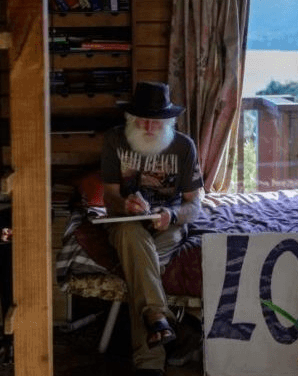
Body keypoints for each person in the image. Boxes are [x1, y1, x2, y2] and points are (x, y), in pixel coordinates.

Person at [101, 81, 204, 376]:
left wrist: (170, 216)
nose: (148, 126)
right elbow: (109, 196)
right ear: (131, 118)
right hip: (126, 224)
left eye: (156, 121)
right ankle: (162, 329)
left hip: (166, 225)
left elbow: (193, 205)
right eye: (141, 119)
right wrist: (125, 206)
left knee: (139, 266)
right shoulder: (114, 140)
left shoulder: (184, 146)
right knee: (133, 241)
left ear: (168, 120)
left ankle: (155, 339)